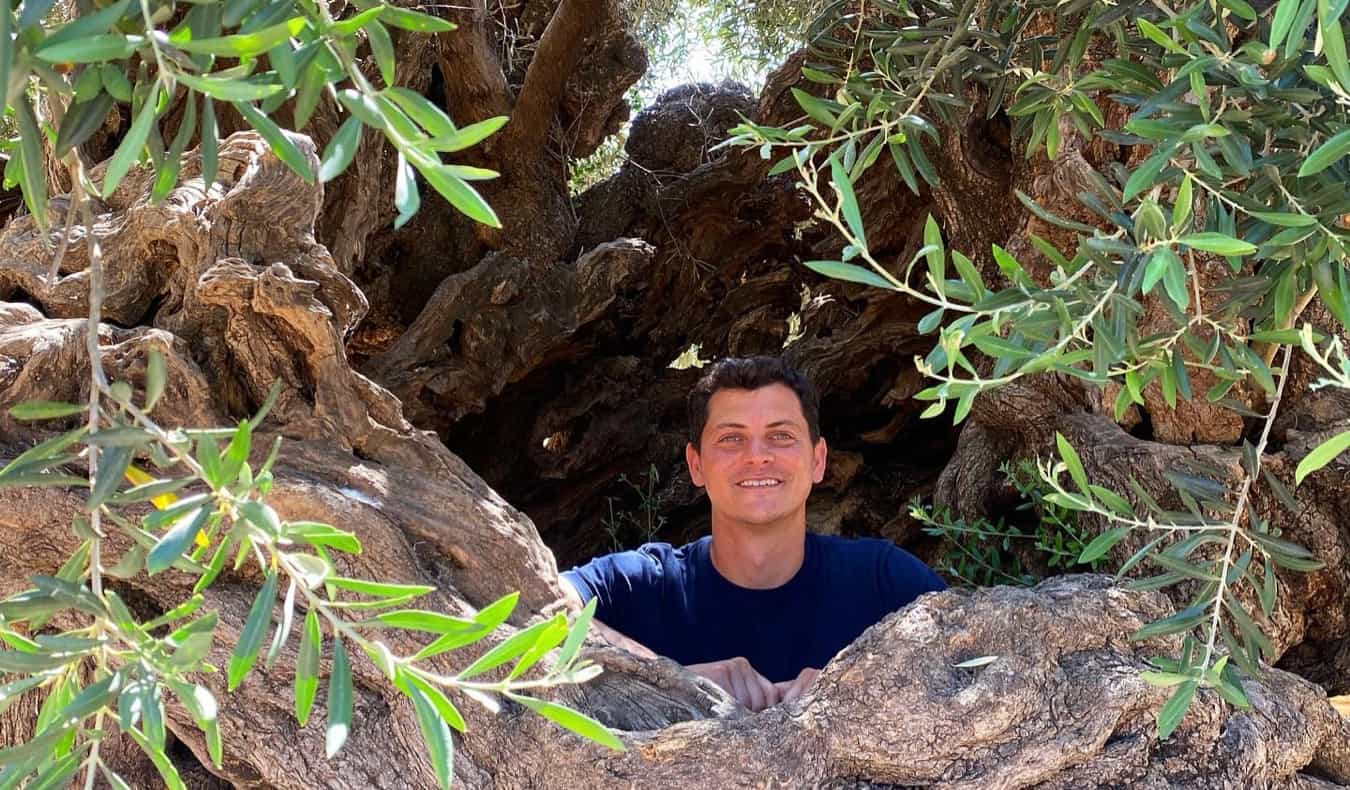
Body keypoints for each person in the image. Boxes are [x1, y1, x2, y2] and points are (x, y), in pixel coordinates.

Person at [560, 356, 945, 711]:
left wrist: (853, 682)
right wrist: (672, 679)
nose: (757, 455)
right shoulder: (640, 585)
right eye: (731, 438)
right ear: (696, 465)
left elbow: (978, 651)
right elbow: (531, 608)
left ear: (818, 460)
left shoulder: (882, 581)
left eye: (780, 436)